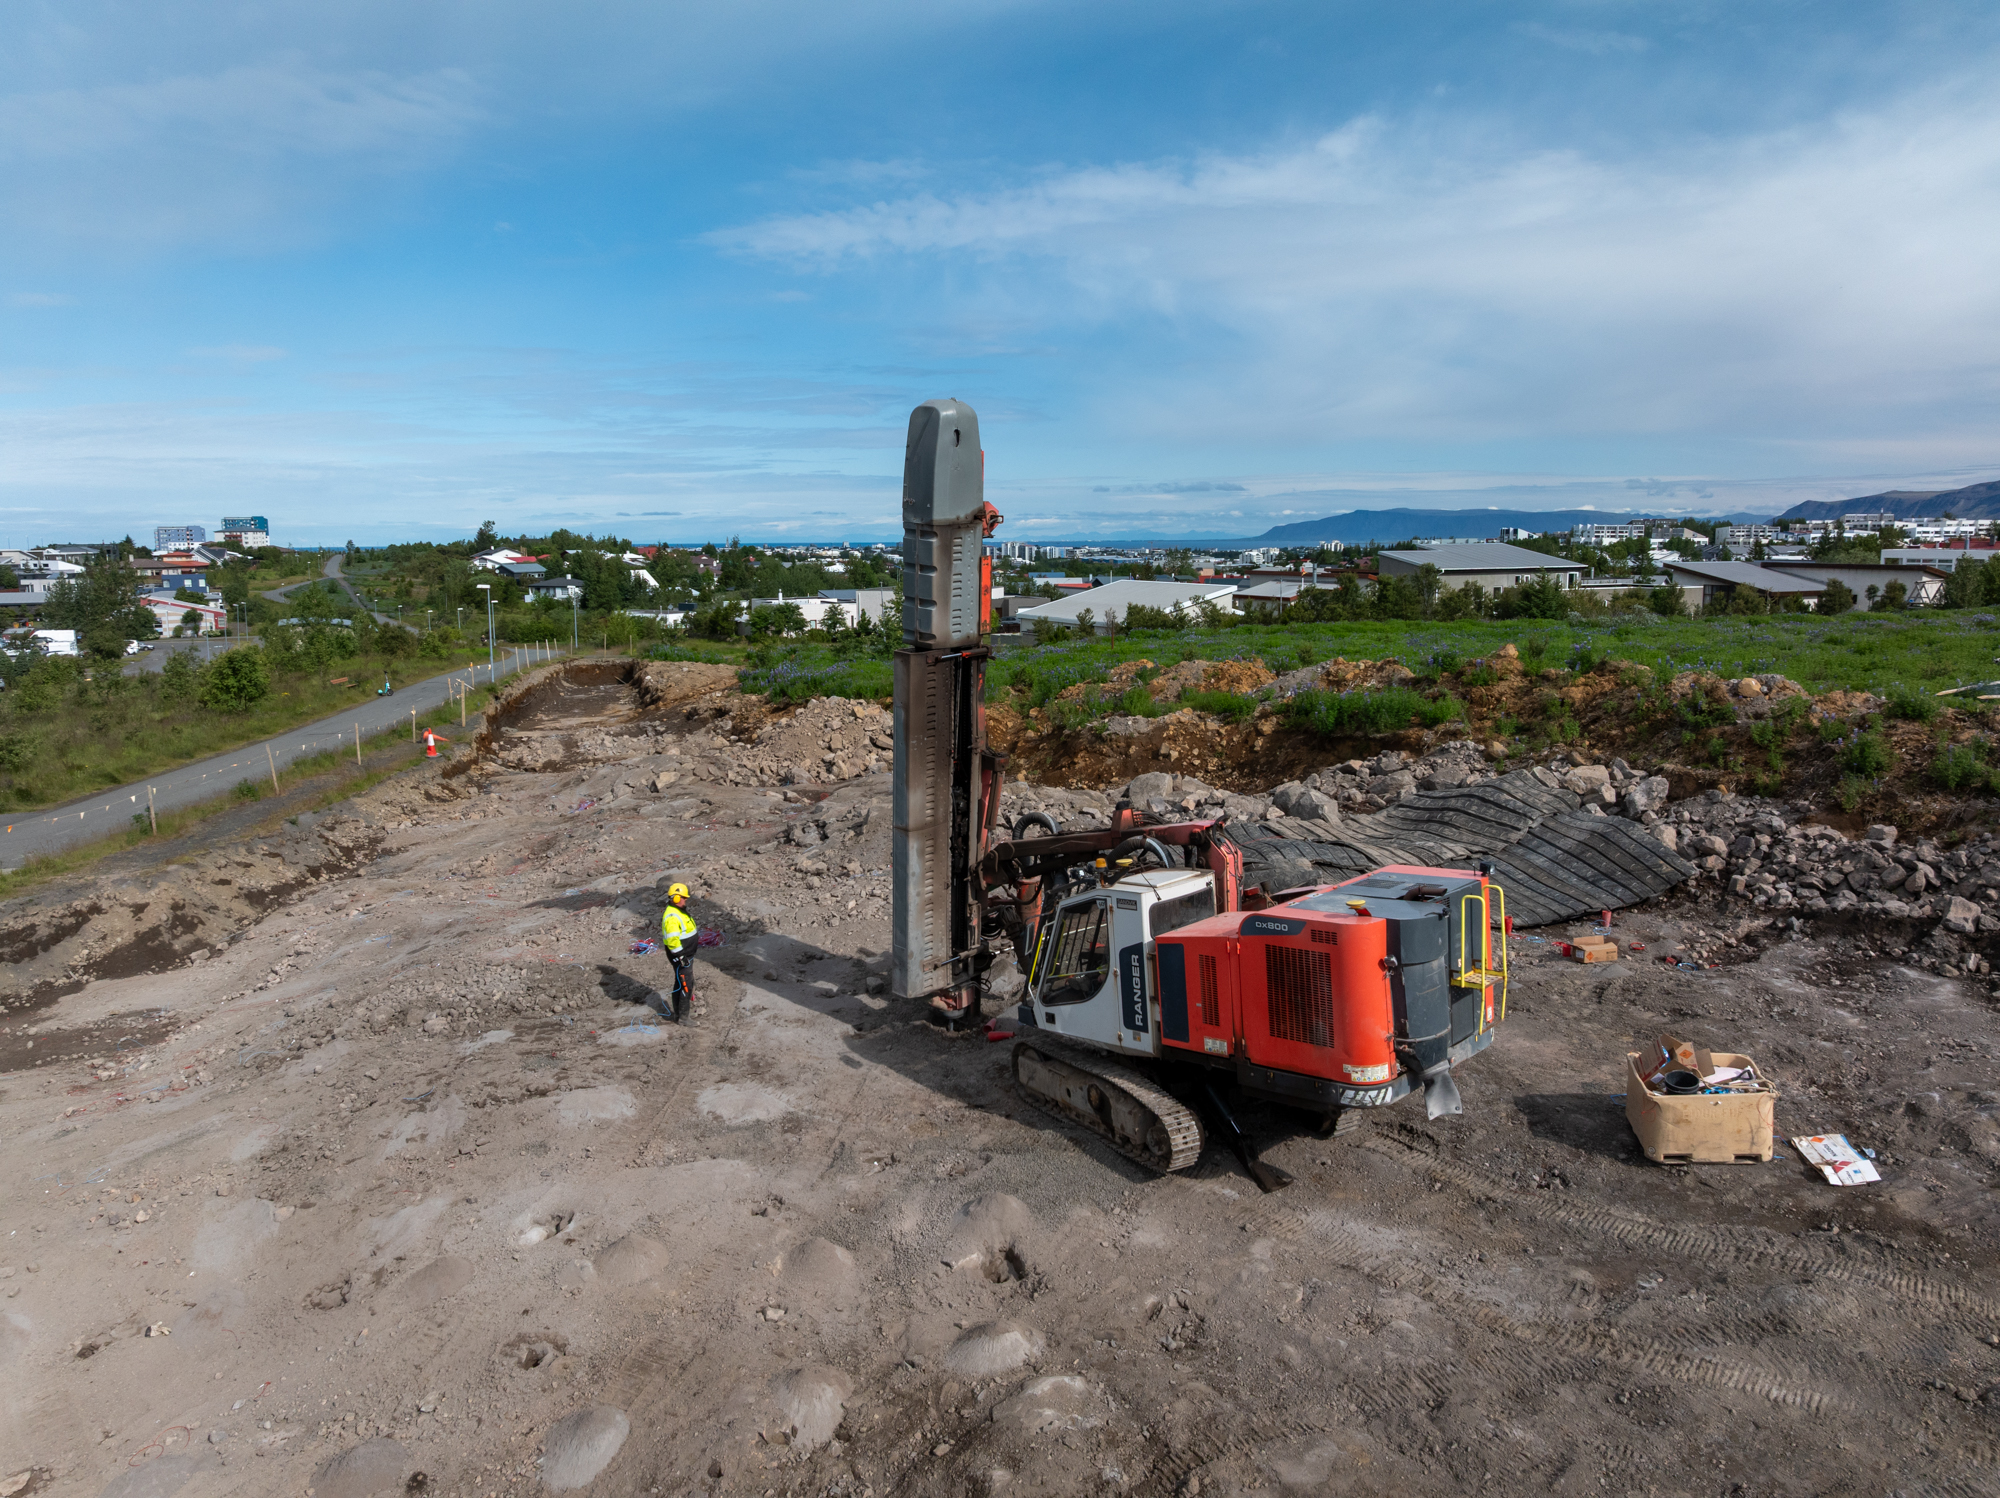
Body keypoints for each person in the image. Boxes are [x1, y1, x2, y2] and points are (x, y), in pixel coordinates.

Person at [660, 881, 698, 1022]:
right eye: (684, 897)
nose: (686, 900)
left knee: (680, 983)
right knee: (685, 985)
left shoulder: (678, 911)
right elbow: (672, 941)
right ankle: (683, 1018)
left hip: (686, 955)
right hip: (681, 956)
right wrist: (681, 956)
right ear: (676, 898)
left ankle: (679, 1014)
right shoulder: (672, 917)